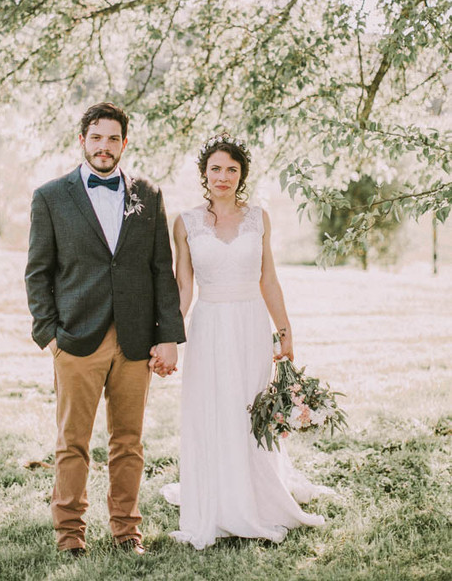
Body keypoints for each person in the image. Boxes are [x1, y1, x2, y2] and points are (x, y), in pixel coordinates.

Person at [25, 102, 185, 558]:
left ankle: (126, 532)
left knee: (129, 442)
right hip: (76, 339)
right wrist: (49, 335)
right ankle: (70, 535)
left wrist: (168, 335)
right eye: (96, 137)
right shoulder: (51, 197)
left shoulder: (148, 194)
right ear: (83, 141)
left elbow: (161, 269)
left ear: (124, 144)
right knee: (72, 442)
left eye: (113, 138)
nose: (104, 146)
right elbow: (38, 272)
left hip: (136, 340)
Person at [158, 132, 328, 549]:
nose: (223, 176)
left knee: (250, 407)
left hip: (251, 324)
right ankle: (218, 497)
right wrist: (168, 337)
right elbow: (184, 286)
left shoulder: (259, 218)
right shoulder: (185, 222)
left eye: (231, 169)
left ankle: (256, 492)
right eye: (215, 168)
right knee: (213, 407)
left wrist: (285, 332)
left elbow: (268, 279)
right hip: (209, 325)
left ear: (242, 175)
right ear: (204, 173)